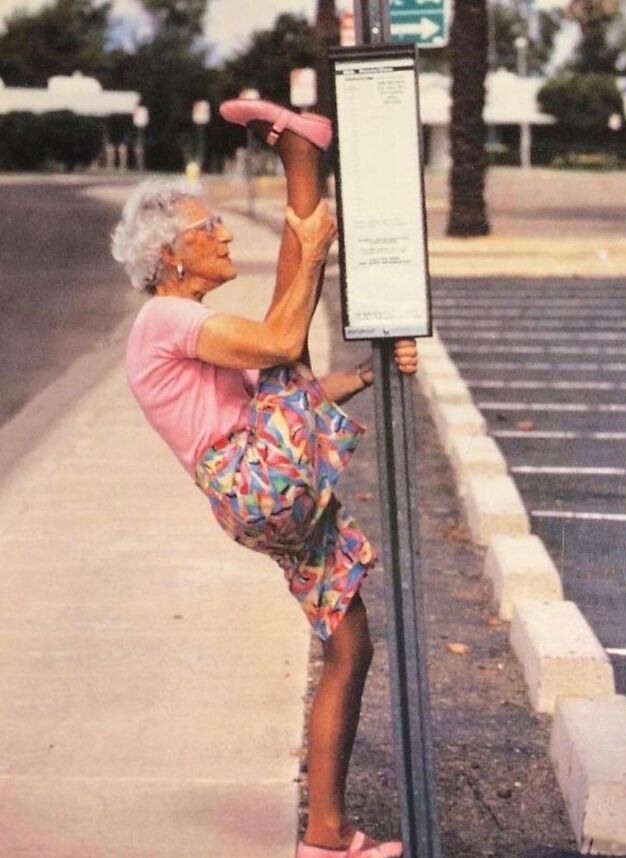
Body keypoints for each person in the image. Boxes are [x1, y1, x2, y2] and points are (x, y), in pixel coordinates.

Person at [111, 99, 419, 858]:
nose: (220, 233)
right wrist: (311, 248)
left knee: (352, 649)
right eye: (205, 226)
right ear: (171, 258)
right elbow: (283, 342)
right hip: (256, 482)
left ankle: (325, 835)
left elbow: (295, 399)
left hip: (261, 489)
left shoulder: (187, 329)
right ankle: (300, 162)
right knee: (290, 344)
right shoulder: (165, 320)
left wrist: (375, 371)